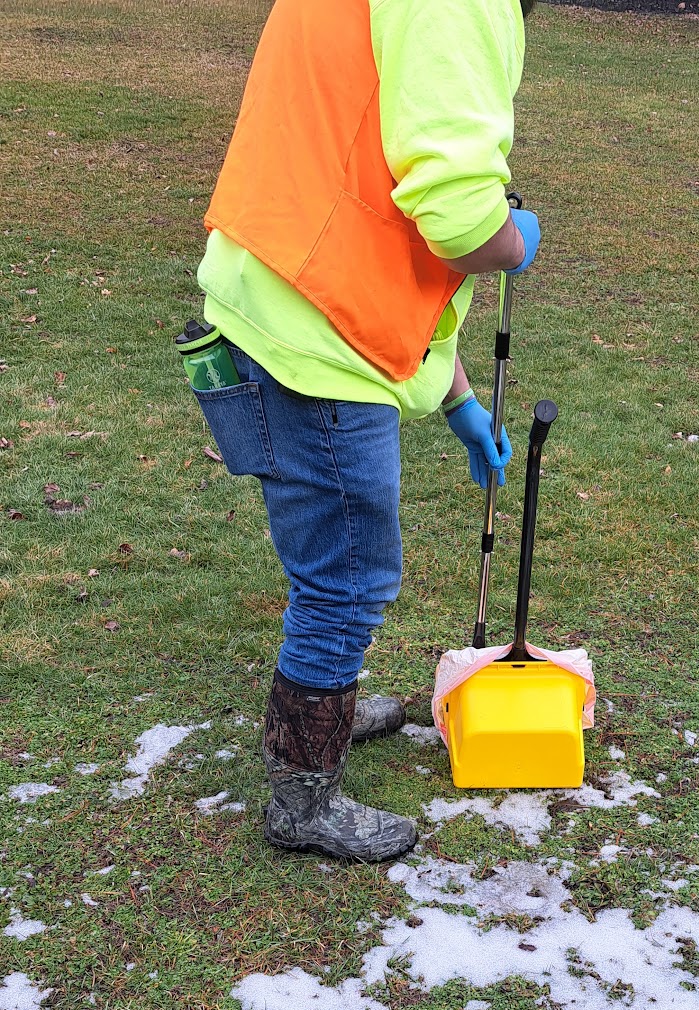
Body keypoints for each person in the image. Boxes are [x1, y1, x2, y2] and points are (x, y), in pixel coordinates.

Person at [193, 0, 541, 863]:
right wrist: (515, 241)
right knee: (346, 579)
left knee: (331, 568)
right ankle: (302, 800)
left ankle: (328, 700)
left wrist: (457, 399)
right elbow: (458, 221)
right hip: (314, 343)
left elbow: (370, 216)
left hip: (277, 298)